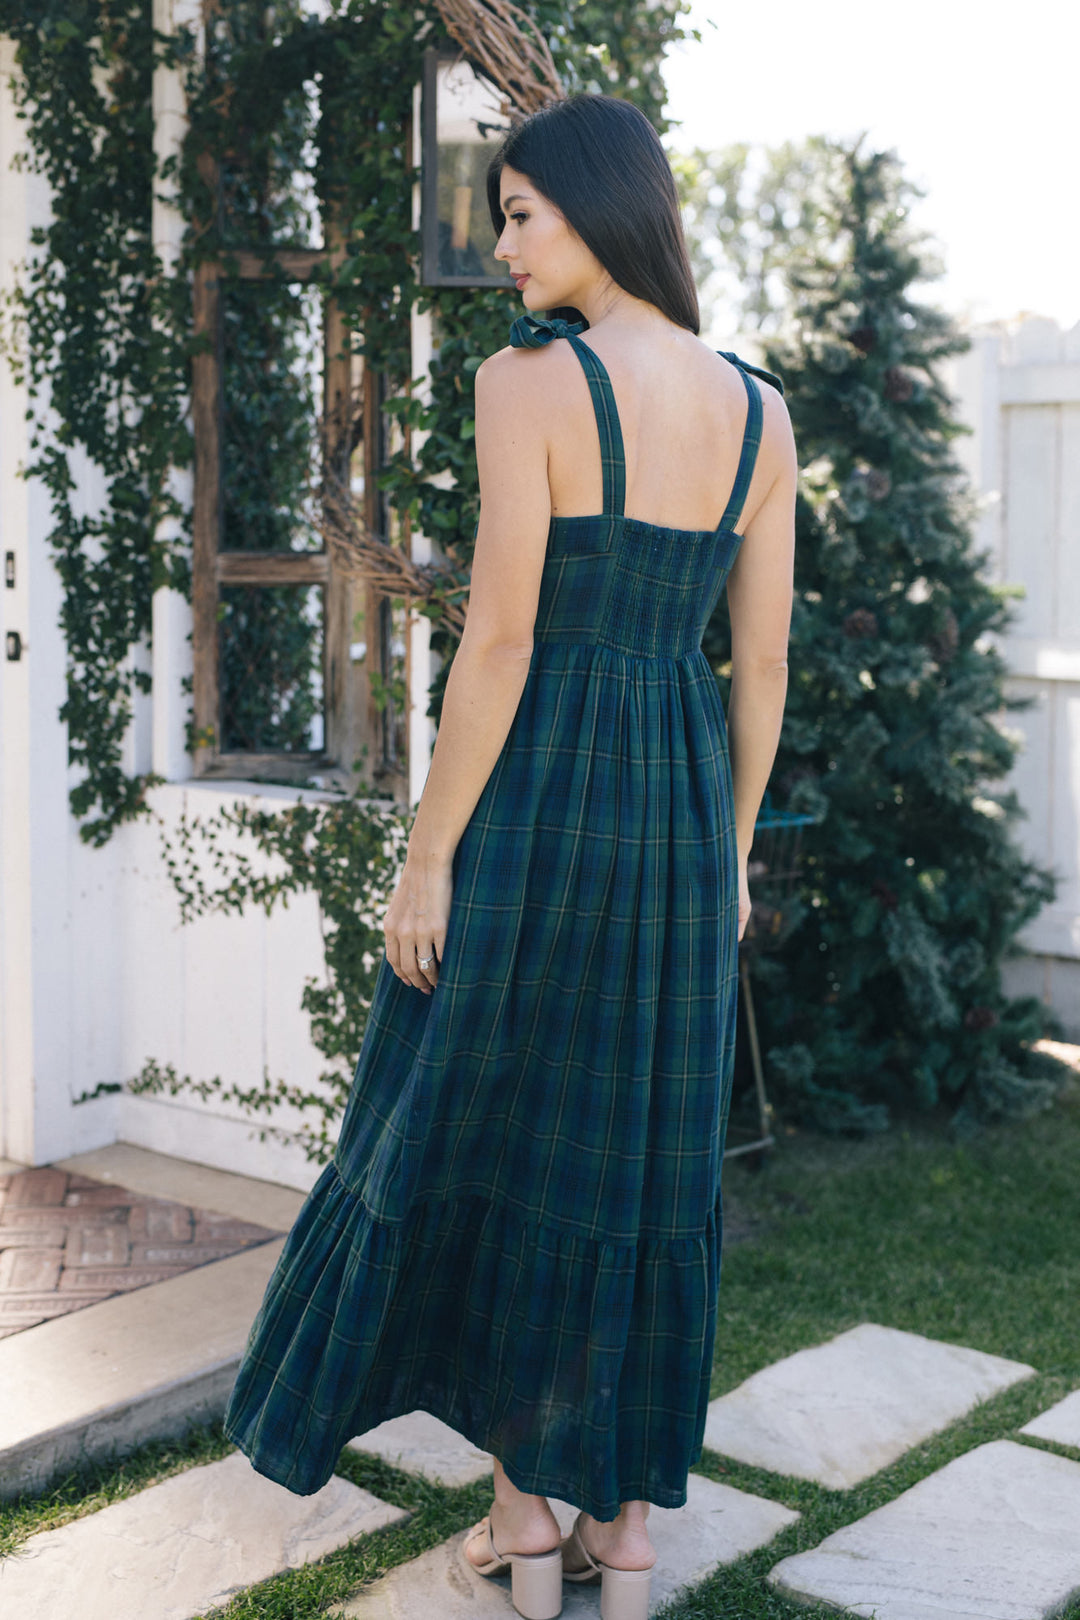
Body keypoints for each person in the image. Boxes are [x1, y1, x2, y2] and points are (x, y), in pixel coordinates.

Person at [224, 91, 795, 1620]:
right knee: (631, 1161)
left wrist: (427, 862)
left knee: (490, 1139)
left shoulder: (529, 386)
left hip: (545, 800)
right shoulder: (761, 409)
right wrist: (728, 853)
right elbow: (764, 673)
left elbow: (500, 647)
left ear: (603, 211)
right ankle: (616, 1529)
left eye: (524, 212)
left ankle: (526, 1528)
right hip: (677, 814)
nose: (503, 243)